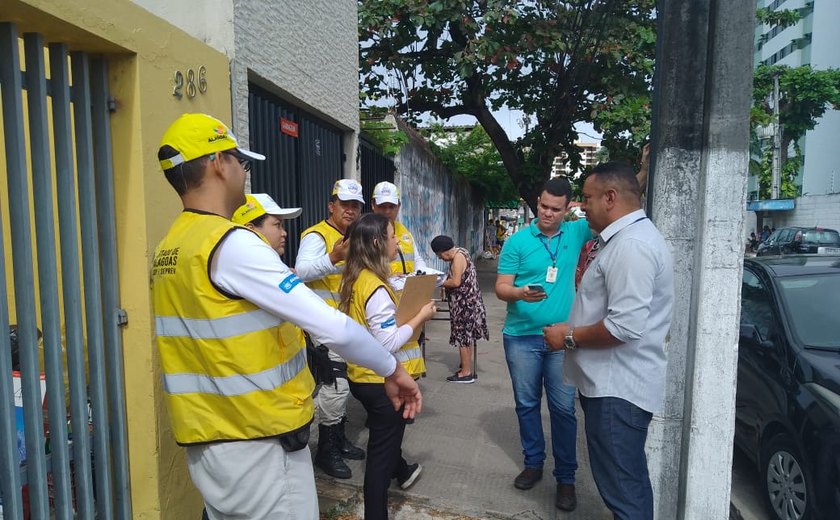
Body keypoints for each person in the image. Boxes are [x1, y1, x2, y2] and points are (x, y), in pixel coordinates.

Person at [151, 113, 422, 519]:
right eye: (240, 162)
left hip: (209, 436)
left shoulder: (172, 246)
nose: (243, 173)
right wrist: (391, 370)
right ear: (216, 164)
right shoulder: (231, 245)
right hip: (256, 440)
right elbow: (330, 324)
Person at [543, 162, 674, 520]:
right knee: (623, 486)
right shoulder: (625, 240)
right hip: (611, 386)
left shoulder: (631, 245)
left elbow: (623, 327)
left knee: (624, 493)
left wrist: (567, 336)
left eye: (586, 198)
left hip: (618, 391)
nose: (582, 206)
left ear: (610, 198)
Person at [493, 177, 590, 511]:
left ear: (568, 208)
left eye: (555, 209)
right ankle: (533, 463)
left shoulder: (577, 233)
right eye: (543, 206)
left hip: (561, 337)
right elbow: (502, 286)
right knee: (526, 404)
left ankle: (566, 478)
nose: (547, 213)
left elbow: (616, 199)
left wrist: (643, 171)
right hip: (521, 337)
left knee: (563, 409)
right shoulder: (517, 242)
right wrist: (519, 293)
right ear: (538, 202)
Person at [339, 213, 436, 520]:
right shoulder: (375, 288)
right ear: (379, 242)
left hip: (361, 377)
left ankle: (404, 469)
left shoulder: (356, 277)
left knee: (386, 447)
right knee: (380, 460)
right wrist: (421, 316)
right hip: (379, 383)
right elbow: (388, 342)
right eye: (393, 238)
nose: (398, 243)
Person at [296, 178, 367, 478]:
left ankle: (338, 438)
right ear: (331, 206)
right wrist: (333, 257)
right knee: (334, 385)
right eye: (345, 204)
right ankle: (326, 451)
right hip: (324, 324)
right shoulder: (317, 236)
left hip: (348, 324)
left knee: (344, 384)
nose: (350, 211)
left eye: (356, 206)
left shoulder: (356, 236)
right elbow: (300, 271)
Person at [431, 235, 489, 384]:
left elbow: (456, 282)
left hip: (464, 305)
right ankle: (466, 366)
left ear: (444, 251)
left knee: (462, 337)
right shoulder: (462, 251)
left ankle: (466, 373)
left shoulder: (457, 259)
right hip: (469, 302)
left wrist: (439, 283)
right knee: (466, 337)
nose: (441, 258)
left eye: (439, 255)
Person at [370, 181, 429, 284]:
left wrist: (421, 272)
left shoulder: (404, 231)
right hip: (383, 293)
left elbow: (416, 258)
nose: (387, 211)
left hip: (407, 292)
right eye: (382, 206)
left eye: (391, 206)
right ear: (373, 205)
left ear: (399, 206)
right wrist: (387, 278)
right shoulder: (366, 232)